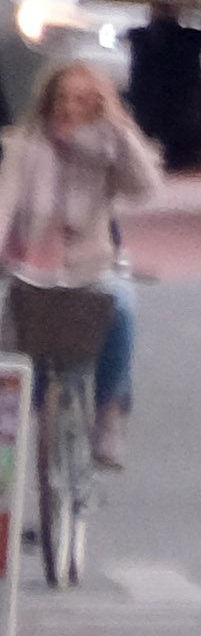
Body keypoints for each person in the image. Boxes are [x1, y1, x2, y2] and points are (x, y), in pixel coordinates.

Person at [2, 52, 165, 473]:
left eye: (82, 100)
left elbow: (146, 188)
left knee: (122, 308)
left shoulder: (109, 149)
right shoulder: (26, 148)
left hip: (91, 269)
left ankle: (109, 414)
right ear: (49, 101)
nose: (71, 109)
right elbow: (4, 205)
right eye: (63, 99)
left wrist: (117, 127)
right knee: (16, 349)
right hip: (30, 269)